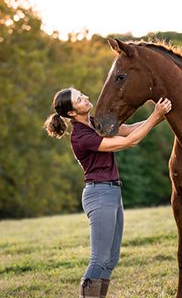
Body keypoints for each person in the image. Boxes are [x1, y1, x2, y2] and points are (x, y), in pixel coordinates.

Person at [43, 87, 172, 298]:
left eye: (81, 94)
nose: (85, 97)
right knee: (99, 260)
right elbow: (130, 142)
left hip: (112, 192)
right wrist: (155, 116)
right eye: (79, 98)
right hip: (99, 194)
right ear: (71, 113)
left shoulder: (94, 123)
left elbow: (128, 130)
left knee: (111, 259)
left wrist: (160, 116)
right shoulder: (80, 137)